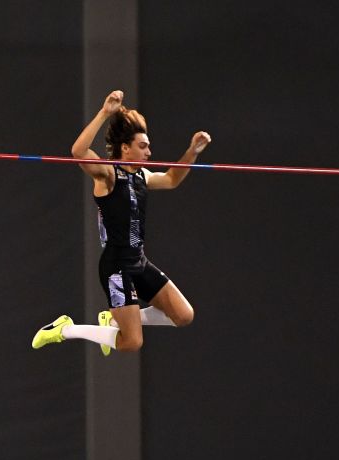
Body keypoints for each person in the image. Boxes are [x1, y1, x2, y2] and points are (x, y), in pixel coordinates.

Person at [31, 89, 211, 355]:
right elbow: (78, 150)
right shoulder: (107, 175)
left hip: (138, 261)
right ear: (125, 148)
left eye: (148, 145)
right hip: (117, 267)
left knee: (184, 315)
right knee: (131, 342)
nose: (149, 151)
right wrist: (105, 112)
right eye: (143, 146)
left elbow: (172, 178)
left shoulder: (142, 176)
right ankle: (65, 329)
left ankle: (114, 319)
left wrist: (192, 152)